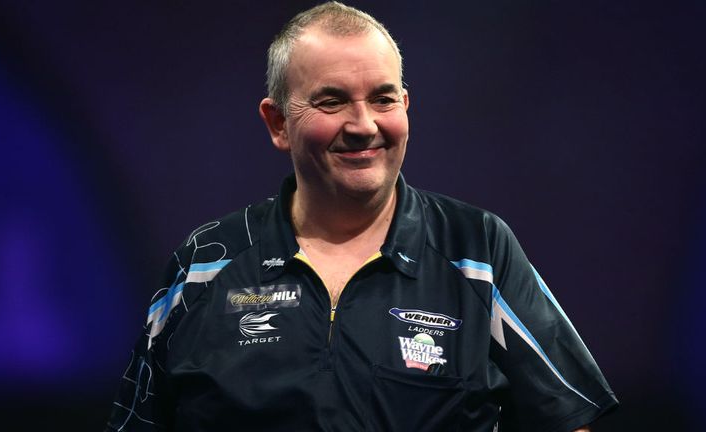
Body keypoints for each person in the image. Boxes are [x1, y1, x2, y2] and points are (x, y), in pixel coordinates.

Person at [106, 2, 618, 431]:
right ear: (278, 122)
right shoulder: (204, 264)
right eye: (331, 102)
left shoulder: (477, 250)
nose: (363, 124)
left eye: (383, 98)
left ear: (406, 107)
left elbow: (568, 419)